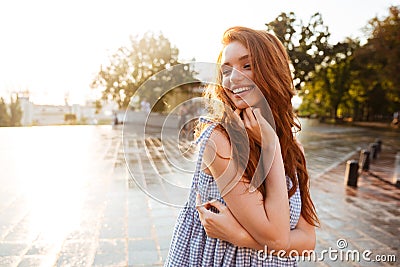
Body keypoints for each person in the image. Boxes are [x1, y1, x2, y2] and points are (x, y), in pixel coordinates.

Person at [165, 26, 319, 266]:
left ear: (273, 72)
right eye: (226, 70)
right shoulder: (218, 141)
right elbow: (278, 239)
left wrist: (239, 236)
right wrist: (272, 148)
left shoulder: (292, 147)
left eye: (247, 66)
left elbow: (308, 241)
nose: (233, 78)